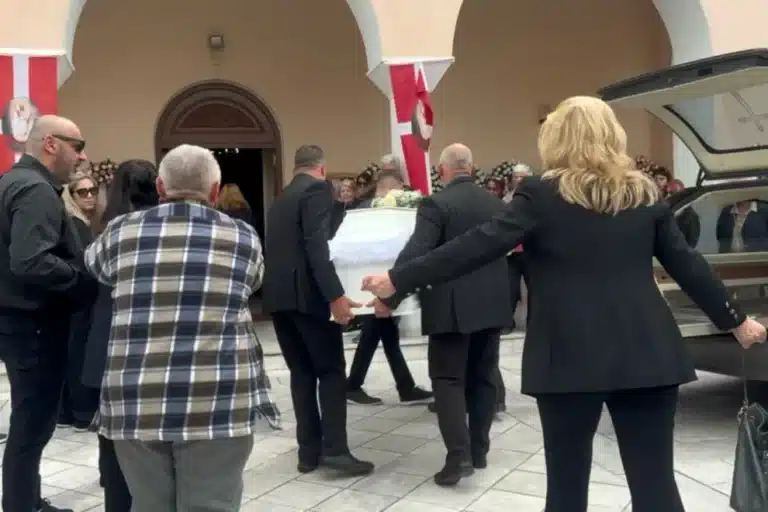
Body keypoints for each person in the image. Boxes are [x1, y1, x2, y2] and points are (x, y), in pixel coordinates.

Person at [362, 96, 766, 512]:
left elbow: (475, 246)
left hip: (567, 357)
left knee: (566, 491)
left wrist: (398, 279)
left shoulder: (540, 195)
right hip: (647, 351)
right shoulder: (643, 194)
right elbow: (687, 263)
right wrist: (736, 321)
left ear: (556, 139)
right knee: (656, 488)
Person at [84, 145, 280, 511]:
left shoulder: (120, 230)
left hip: (136, 399)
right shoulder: (243, 236)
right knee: (212, 504)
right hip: (218, 397)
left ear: (160, 187)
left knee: (149, 504)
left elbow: (97, 268)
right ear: (215, 191)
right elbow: (253, 282)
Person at [381, 144, 512, 487]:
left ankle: (459, 456)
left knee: (448, 379)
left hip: (450, 305)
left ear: (442, 171)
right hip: (493, 302)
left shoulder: (436, 204)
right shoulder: (497, 205)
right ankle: (479, 450)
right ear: (473, 168)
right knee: (484, 376)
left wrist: (390, 293)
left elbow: (416, 252)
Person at [0, 115, 96, 512]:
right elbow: (30, 261)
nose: (82, 155)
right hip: (34, 323)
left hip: (19, 320)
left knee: (30, 420)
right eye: (78, 145)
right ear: (51, 144)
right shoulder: (35, 189)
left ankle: (25, 500)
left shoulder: (11, 181)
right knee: (33, 423)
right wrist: (82, 278)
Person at [262, 144, 374, 476]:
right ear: (321, 169)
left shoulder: (281, 198)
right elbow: (317, 246)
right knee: (331, 371)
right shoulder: (317, 190)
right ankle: (336, 450)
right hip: (308, 298)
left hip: (279, 299)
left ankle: (308, 452)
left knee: (302, 373)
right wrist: (335, 295)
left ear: (296, 167)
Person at [80, 159, 160, 512]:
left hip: (106, 341)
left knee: (112, 443)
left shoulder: (105, 230)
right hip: (145, 344)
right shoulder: (158, 229)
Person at [346, 167, 433, 405]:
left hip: (383, 282)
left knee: (382, 334)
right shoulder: (374, 212)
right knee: (378, 333)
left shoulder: (365, 211)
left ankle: (401, 387)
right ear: (393, 189)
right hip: (382, 283)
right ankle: (356, 385)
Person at [57, 172, 102, 431]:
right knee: (78, 356)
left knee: (70, 355)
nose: (89, 196)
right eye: (82, 192)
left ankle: (67, 413)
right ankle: (81, 413)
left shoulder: (76, 222)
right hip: (79, 300)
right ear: (71, 195)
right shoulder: (77, 224)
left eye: (93, 190)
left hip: (70, 300)